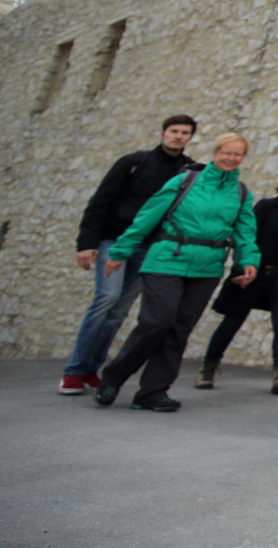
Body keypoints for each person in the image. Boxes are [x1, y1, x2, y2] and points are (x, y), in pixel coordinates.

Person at [93, 132, 259, 412]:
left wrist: (248, 261)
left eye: (237, 154)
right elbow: (147, 217)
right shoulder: (185, 181)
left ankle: (152, 392)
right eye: (226, 152)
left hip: (207, 268)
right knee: (156, 322)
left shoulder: (241, 192)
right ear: (215, 152)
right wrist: (120, 252)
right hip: (166, 259)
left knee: (179, 329)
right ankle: (114, 378)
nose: (231, 158)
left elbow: (245, 231)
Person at [60, 114, 202, 394]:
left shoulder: (189, 172)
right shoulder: (134, 164)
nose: (178, 136)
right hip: (113, 241)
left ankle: (92, 368)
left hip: (150, 247)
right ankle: (74, 371)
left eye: (184, 133)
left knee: (119, 312)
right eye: (174, 131)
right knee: (106, 299)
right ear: (163, 133)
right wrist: (86, 242)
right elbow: (101, 201)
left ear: (190, 137)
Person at [196, 163, 278, 394]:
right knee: (233, 320)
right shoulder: (268, 206)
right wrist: (241, 268)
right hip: (255, 272)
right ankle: (208, 368)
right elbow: (245, 236)